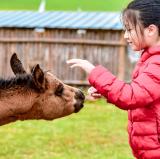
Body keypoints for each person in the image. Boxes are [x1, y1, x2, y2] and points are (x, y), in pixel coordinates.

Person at [67, 0, 160, 158]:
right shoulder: (150, 60)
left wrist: (93, 71)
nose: (125, 35)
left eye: (129, 30)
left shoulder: (157, 63)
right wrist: (105, 90)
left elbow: (130, 96)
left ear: (150, 30)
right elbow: (143, 93)